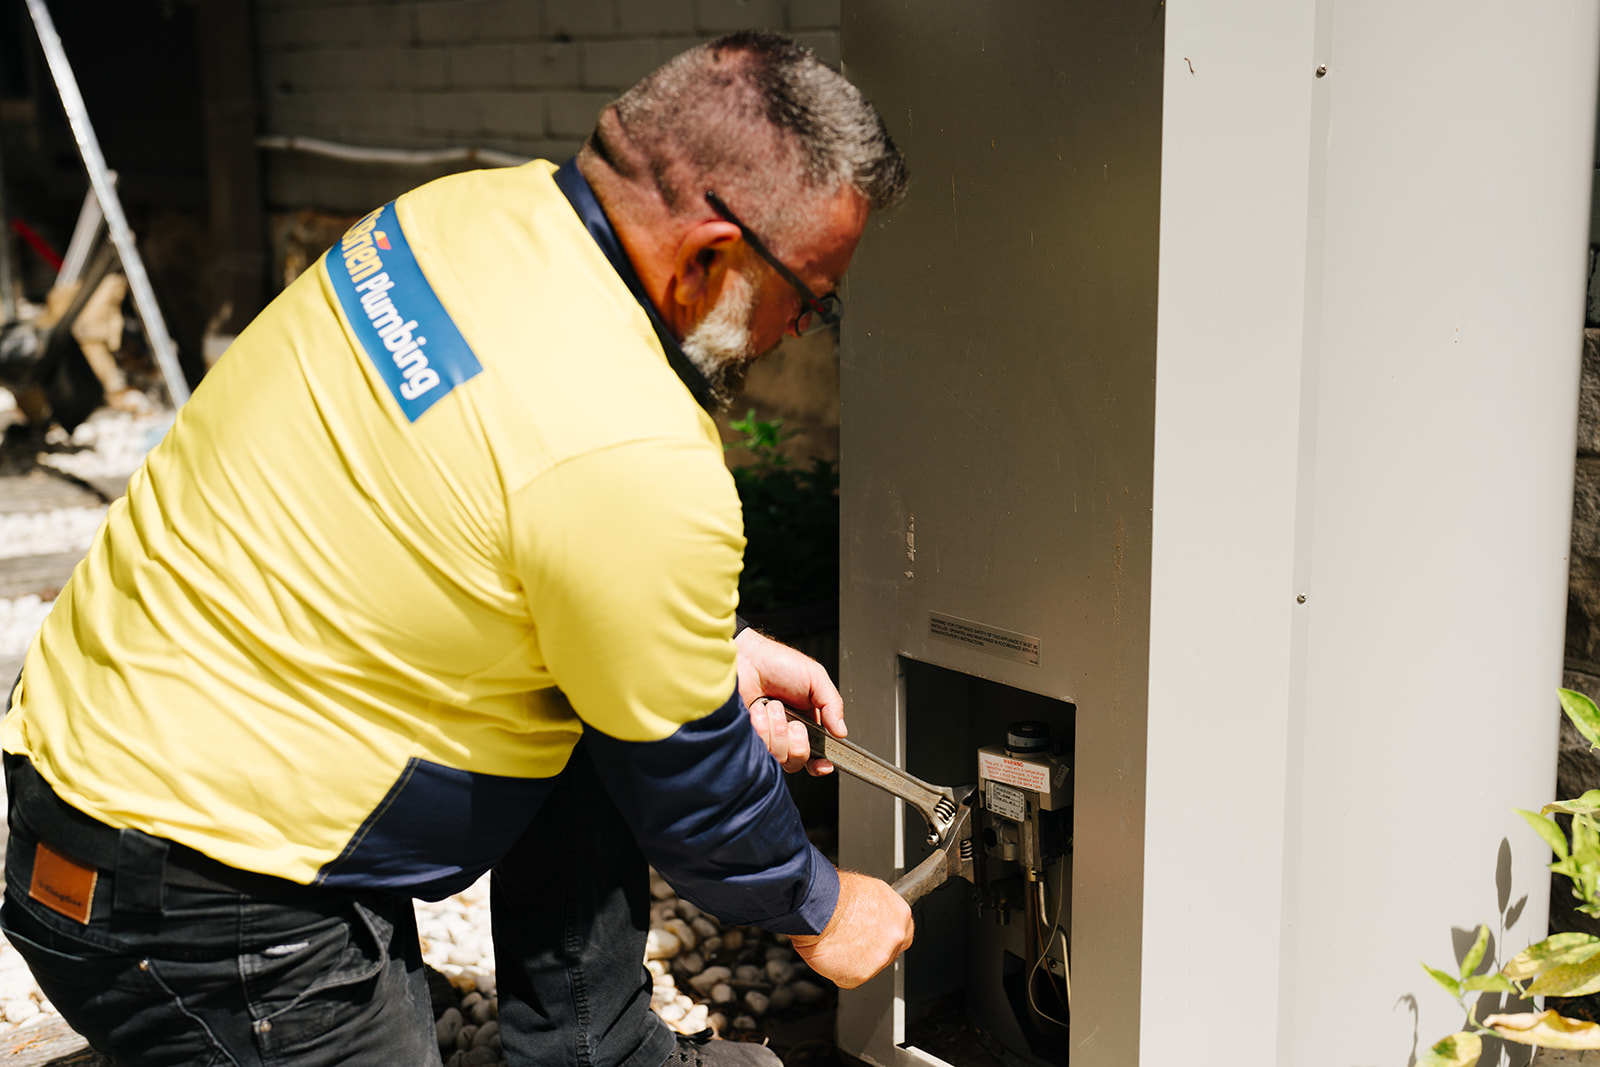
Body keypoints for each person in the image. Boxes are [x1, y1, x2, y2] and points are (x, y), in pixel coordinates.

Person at [0, 31, 913, 1067]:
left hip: (74, 789)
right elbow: (694, 785)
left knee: (591, 690)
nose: (803, 328)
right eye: (813, 297)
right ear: (709, 256)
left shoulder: (467, 215)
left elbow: (513, 518)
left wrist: (713, 650)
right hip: (202, 914)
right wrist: (820, 903)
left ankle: (595, 1051)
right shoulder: (634, 446)